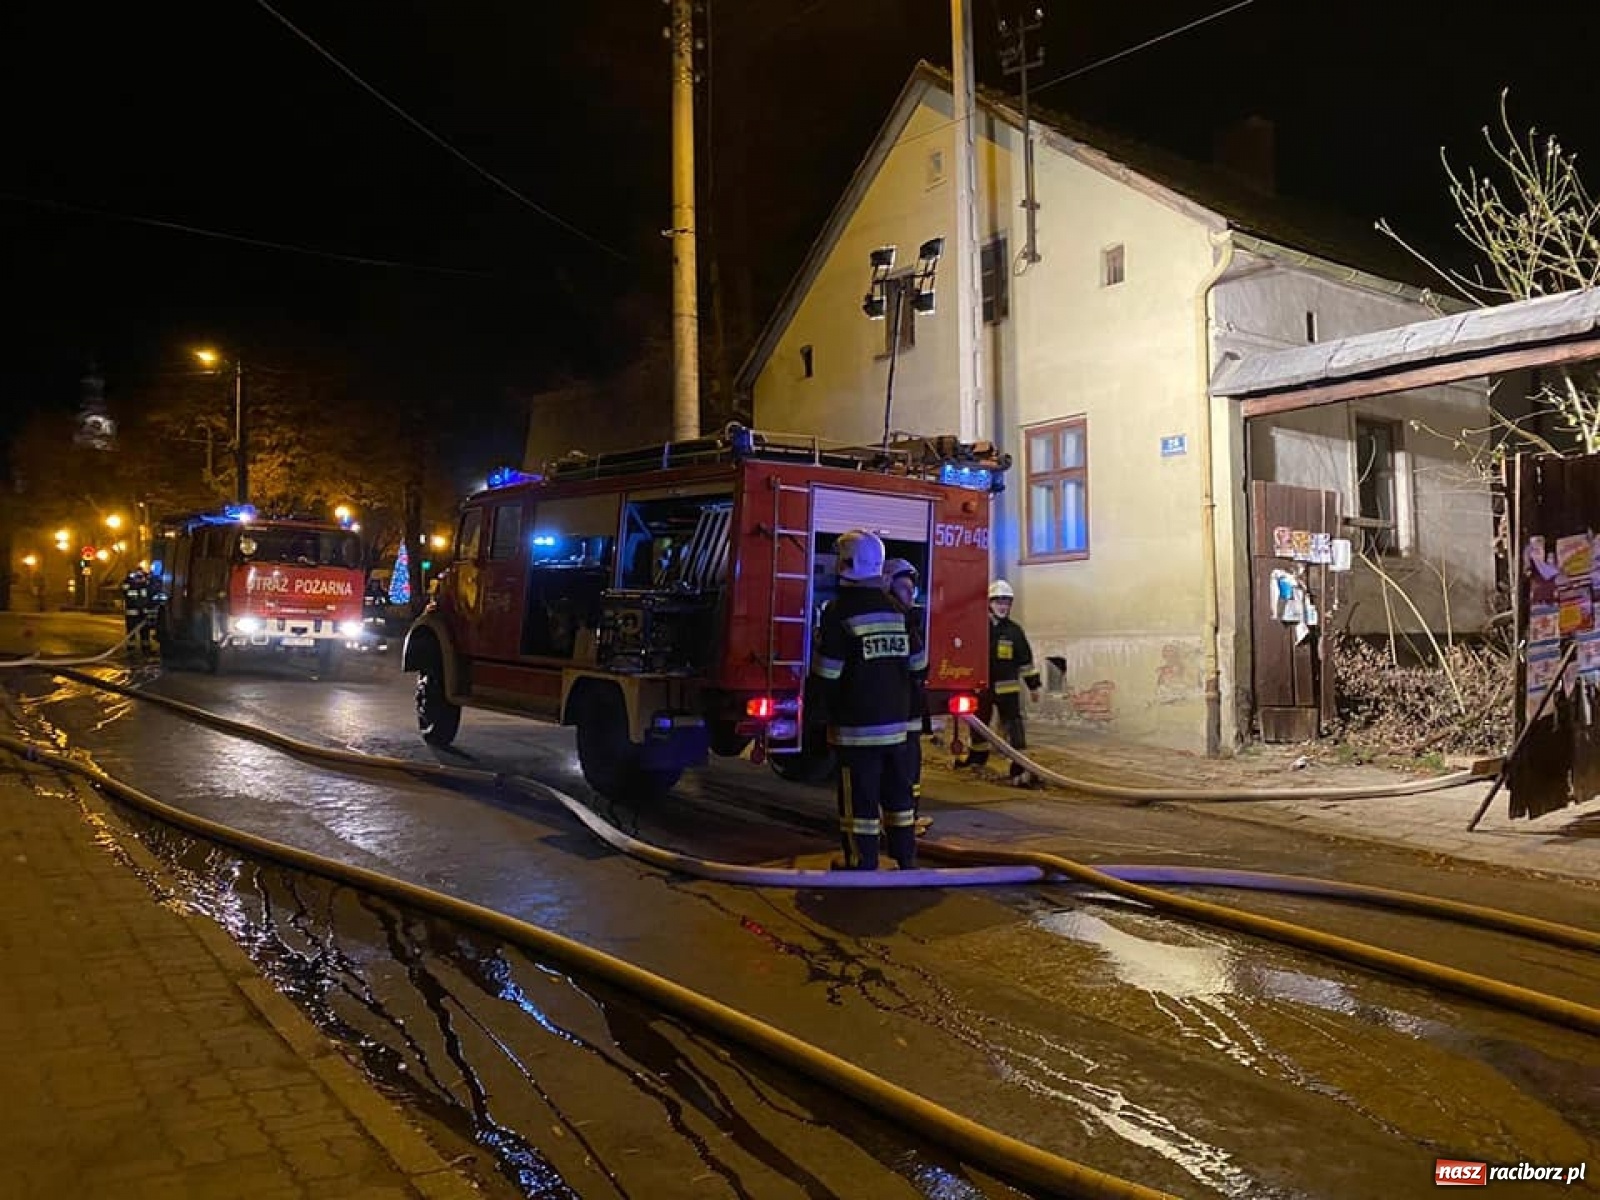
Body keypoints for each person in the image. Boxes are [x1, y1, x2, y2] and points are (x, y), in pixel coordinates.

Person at [811, 530, 917, 871]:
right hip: (897, 726)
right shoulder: (897, 610)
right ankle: (905, 857)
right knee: (899, 796)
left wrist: (815, 715)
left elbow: (828, 673)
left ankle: (861, 861)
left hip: (857, 727)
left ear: (846, 564)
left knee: (860, 798)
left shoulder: (839, 612)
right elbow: (919, 663)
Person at [960, 579, 1042, 785]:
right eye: (999, 603)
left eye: (1006, 603)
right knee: (979, 725)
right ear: (989, 603)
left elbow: (1025, 661)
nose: (1003, 607)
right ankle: (977, 760)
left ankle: (1019, 766)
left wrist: (1034, 685)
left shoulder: (1014, 631)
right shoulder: (977, 629)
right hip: (982, 688)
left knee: (1014, 727)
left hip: (1008, 691)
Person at [882, 557, 933, 835]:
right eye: (903, 587)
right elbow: (919, 665)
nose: (909, 594)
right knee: (900, 770)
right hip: (899, 712)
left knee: (908, 770)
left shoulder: (908, 618)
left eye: (911, 588)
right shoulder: (899, 621)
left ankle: (907, 820)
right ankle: (901, 826)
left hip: (906, 712)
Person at [121, 568, 156, 653]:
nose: (140, 578)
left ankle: (146, 648)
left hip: (143, 615)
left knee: (145, 632)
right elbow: (125, 590)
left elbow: (152, 593)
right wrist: (129, 579)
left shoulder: (146, 587)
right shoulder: (130, 585)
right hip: (132, 615)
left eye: (141, 576)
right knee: (131, 632)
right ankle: (131, 648)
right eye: (138, 576)